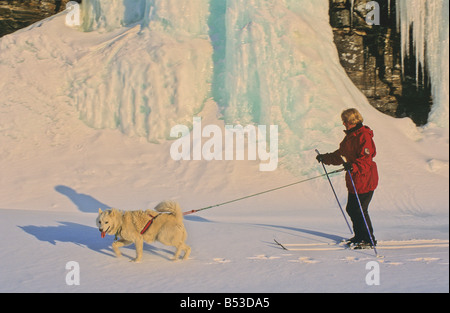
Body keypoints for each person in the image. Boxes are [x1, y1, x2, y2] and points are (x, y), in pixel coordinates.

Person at [316, 108, 378, 247]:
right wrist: (325, 158)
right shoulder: (350, 136)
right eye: (343, 121)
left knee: (360, 210)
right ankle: (359, 236)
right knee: (351, 208)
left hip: (365, 178)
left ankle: (369, 239)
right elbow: (341, 155)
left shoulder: (364, 136)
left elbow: (366, 159)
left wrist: (353, 166)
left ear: (353, 121)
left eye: (346, 121)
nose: (343, 124)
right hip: (354, 179)